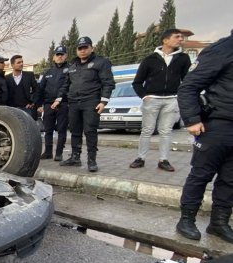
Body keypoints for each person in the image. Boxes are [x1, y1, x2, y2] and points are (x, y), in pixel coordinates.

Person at [175, 30, 233, 243]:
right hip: (216, 124)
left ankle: (219, 223)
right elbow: (189, 86)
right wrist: (191, 119)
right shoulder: (223, 49)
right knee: (201, 174)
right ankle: (186, 220)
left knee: (230, 179)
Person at [130, 29, 191, 172]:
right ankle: (140, 158)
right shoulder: (150, 59)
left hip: (171, 100)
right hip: (152, 99)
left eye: (181, 37)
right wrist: (145, 96)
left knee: (166, 131)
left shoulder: (183, 58)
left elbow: (188, 80)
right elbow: (137, 82)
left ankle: (163, 160)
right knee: (147, 130)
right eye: (177, 37)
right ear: (165, 40)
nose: (180, 39)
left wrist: (179, 96)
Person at [52, 36, 115, 172]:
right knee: (75, 131)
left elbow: (108, 83)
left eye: (85, 47)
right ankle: (75, 157)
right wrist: (59, 98)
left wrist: (104, 101)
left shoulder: (101, 62)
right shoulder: (72, 66)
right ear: (76, 50)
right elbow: (66, 85)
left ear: (91, 48)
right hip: (74, 102)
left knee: (90, 131)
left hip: (91, 102)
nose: (82, 50)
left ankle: (92, 160)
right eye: (80, 48)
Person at [36, 45, 69, 161]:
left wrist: (60, 99)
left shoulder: (70, 70)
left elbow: (68, 86)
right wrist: (39, 104)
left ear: (66, 56)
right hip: (48, 104)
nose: (60, 57)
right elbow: (40, 88)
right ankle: (48, 152)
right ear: (53, 57)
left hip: (63, 104)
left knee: (61, 130)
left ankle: (59, 153)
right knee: (48, 130)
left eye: (62, 54)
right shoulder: (48, 72)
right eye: (57, 55)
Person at [7, 55, 38, 119]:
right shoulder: (7, 78)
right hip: (12, 110)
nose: (21, 64)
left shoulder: (29, 75)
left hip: (27, 109)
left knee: (28, 128)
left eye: (22, 62)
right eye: (18, 62)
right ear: (12, 65)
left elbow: (37, 90)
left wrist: (32, 102)